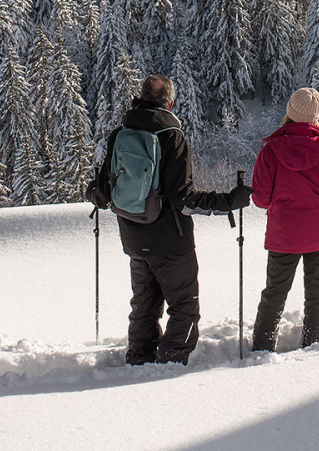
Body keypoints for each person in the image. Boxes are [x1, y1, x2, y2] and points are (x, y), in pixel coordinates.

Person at [85, 74, 252, 365]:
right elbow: (183, 198)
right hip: (172, 244)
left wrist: (92, 193)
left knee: (143, 306)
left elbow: (104, 191)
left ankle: (139, 359)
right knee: (184, 307)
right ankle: (170, 364)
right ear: (170, 104)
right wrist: (229, 201)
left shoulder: (120, 134)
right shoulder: (171, 137)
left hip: (134, 238)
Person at [249, 87, 319, 352]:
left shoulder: (270, 152)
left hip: (284, 233)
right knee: (317, 294)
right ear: (315, 116)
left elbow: (259, 198)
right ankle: (313, 345)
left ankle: (262, 348)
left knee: (274, 293)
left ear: (290, 112)